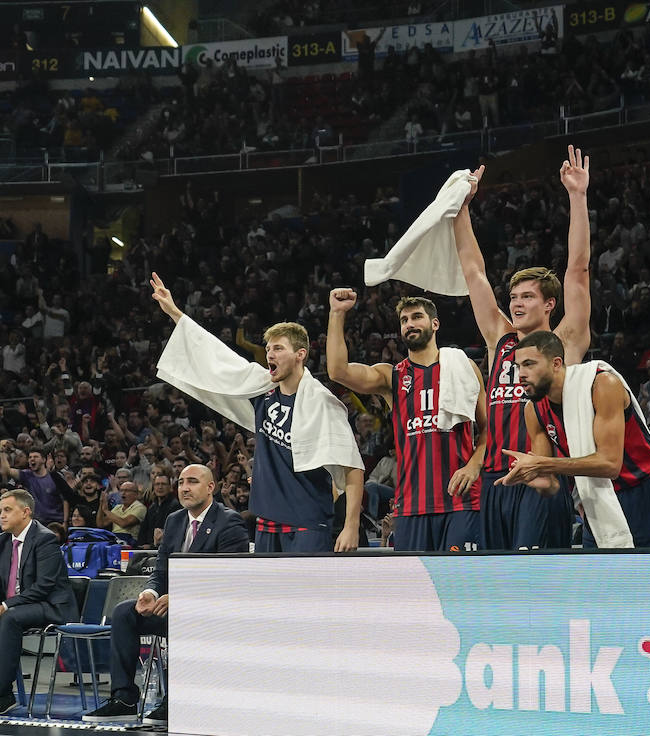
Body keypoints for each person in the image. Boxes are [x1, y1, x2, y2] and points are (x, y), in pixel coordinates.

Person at [149, 273, 364, 553]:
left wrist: (350, 527)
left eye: (278, 348)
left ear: (300, 354)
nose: (270, 354)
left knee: (304, 598)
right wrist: (176, 314)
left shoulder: (322, 402)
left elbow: (353, 467)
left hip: (308, 522)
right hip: (267, 522)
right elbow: (219, 360)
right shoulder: (262, 388)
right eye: (267, 349)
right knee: (268, 599)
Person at [455, 147, 591, 550]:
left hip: (541, 479)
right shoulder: (501, 340)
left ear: (549, 304)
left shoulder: (564, 341)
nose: (516, 303)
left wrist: (578, 197)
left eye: (527, 296)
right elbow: (473, 271)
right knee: (499, 591)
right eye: (513, 296)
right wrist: (461, 208)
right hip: (494, 481)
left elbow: (578, 270)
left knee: (540, 591)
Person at [82, 464, 249, 725]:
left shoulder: (229, 521)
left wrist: (181, 597)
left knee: (181, 616)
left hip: (211, 612)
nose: (184, 488)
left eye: (192, 482)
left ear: (210, 487)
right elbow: (161, 569)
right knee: (125, 611)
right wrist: (150, 591)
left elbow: (228, 581)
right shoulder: (174, 519)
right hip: (174, 609)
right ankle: (124, 699)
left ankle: (177, 700)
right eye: (181, 482)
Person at [498, 331, 650, 548]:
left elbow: (610, 464)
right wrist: (539, 481)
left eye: (529, 364)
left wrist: (542, 464)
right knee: (601, 576)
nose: (521, 374)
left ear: (556, 363)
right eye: (518, 367)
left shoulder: (601, 384)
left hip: (645, 487)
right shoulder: (533, 410)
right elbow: (550, 481)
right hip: (595, 495)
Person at [327, 292, 487, 552]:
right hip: (411, 505)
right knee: (415, 589)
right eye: (404, 320)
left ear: (435, 324)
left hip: (462, 502)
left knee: (460, 587)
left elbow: (488, 431)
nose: (409, 324)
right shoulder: (391, 377)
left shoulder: (464, 367)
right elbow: (338, 371)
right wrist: (337, 313)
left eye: (416, 317)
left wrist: (474, 466)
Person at [0, 489, 79, 715]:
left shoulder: (45, 539)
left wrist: (6, 605)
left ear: (25, 512)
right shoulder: (3, 542)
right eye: (0, 511)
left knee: (10, 617)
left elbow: (43, 587)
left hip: (51, 607)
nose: (2, 516)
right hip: (21, 605)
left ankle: (3, 694)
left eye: (7, 510)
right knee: (9, 615)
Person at [0, 448, 65, 526]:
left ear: (44, 460)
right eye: (30, 457)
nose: (32, 459)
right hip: (35, 523)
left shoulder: (55, 477)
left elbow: (65, 499)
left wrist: (65, 522)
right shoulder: (26, 475)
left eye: (35, 457)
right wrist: (2, 452)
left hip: (55, 522)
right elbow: (6, 471)